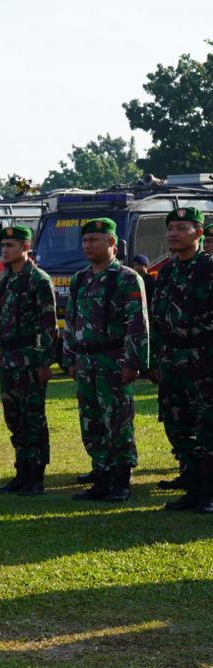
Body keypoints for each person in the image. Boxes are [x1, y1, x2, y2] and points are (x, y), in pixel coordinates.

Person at [62, 217, 149, 502]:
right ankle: (101, 477)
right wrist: (70, 358)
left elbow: (138, 324)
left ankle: (121, 481)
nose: (87, 245)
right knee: (92, 422)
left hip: (114, 360)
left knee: (118, 421)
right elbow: (70, 320)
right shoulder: (80, 279)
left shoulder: (126, 278)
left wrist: (133, 362)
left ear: (111, 243)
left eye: (94, 240)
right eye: (85, 241)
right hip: (86, 362)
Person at [149, 207, 213, 513]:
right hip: (172, 361)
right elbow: (158, 318)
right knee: (178, 425)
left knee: (208, 426)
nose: (173, 233)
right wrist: (157, 359)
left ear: (198, 233)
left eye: (181, 228)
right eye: (170, 228)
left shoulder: (209, 268)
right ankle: (194, 485)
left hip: (204, 362)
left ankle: (209, 492)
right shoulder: (168, 271)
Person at [0, 226, 57, 496]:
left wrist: (45, 362)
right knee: (14, 417)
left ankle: (36, 476)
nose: (5, 250)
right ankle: (21, 472)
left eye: (11, 245)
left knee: (33, 419)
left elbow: (48, 324)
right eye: (4, 245)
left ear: (25, 247)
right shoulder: (7, 280)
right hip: (8, 358)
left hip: (30, 358)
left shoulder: (38, 279)